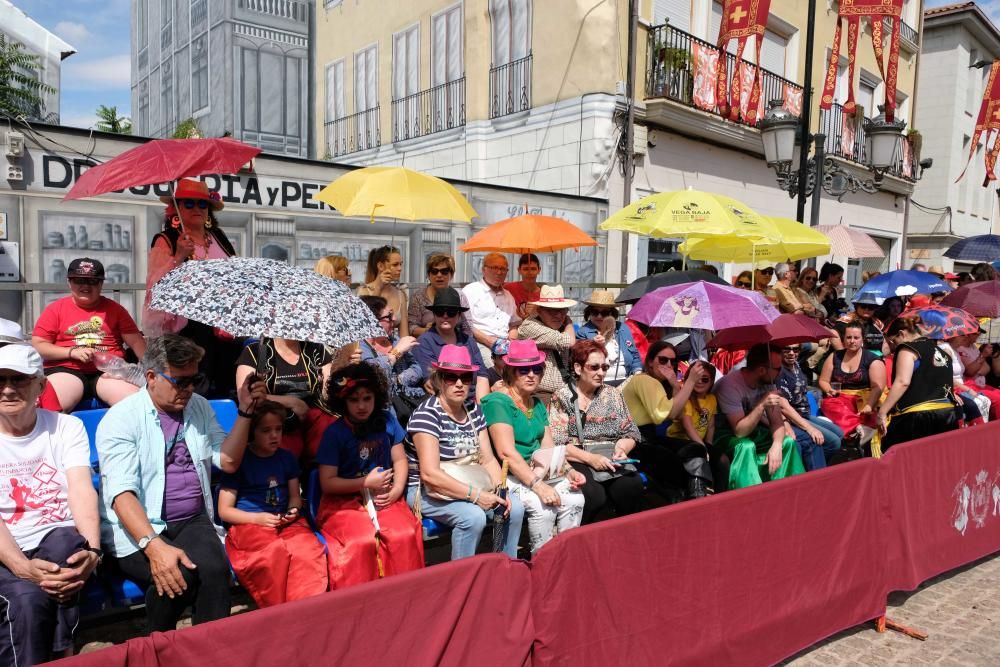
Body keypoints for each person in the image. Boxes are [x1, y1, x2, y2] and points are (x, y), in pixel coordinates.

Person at [96, 334, 266, 633]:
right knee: (180, 578)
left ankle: (209, 651)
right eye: (180, 382)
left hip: (191, 518)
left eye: (195, 380)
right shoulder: (121, 419)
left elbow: (227, 461)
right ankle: (159, 646)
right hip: (136, 525)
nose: (189, 389)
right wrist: (154, 546)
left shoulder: (198, 407)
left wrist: (246, 410)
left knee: (215, 571)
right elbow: (121, 495)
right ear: (151, 377)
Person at [0, 344, 101, 665]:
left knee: (70, 548)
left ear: (41, 386)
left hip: (55, 545)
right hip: (6, 551)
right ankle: (60, 652)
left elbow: (82, 490)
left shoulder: (65, 427)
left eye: (19, 380)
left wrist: (94, 553)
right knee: (27, 601)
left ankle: (59, 653)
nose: (7, 389)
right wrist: (20, 567)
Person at [405, 345, 523, 560]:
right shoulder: (427, 415)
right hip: (428, 491)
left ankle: (506, 568)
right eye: (451, 377)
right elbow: (430, 474)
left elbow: (487, 459)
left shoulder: (473, 410)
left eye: (466, 377)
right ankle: (463, 581)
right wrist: (476, 496)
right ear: (439, 380)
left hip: (471, 481)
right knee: (472, 517)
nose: (459, 384)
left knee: (513, 508)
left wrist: (501, 490)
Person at [315, 363, 424, 589]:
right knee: (360, 541)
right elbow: (327, 483)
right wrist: (364, 482)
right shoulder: (334, 433)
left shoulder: (387, 421)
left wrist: (396, 490)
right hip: (344, 502)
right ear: (343, 401)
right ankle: (361, 599)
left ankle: (405, 593)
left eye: (367, 398)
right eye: (354, 400)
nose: (362, 406)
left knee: (403, 533)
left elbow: (400, 460)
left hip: (384, 495)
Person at [217, 401, 327, 608]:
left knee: (307, 552)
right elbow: (225, 510)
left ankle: (306, 608)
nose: (274, 435)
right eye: (266, 430)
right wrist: (257, 518)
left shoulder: (286, 458)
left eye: (278, 429)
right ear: (251, 432)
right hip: (250, 524)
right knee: (272, 553)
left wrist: (293, 510)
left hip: (285, 523)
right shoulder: (240, 462)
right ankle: (276, 608)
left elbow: (295, 496)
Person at [481, 340, 585, 554]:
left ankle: (566, 556)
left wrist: (569, 471)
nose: (531, 375)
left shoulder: (536, 403)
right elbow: (505, 453)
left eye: (536, 369)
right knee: (543, 507)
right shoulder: (497, 402)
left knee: (575, 497)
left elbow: (548, 448)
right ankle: (543, 562)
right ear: (510, 371)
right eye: (523, 370)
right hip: (508, 475)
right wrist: (538, 485)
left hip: (536, 470)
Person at [144, 178, 241, 398]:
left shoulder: (219, 238)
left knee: (228, 381)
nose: (196, 208)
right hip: (189, 324)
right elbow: (156, 285)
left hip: (222, 320)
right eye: (188, 203)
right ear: (176, 208)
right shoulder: (166, 240)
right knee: (199, 383)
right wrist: (178, 256)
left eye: (202, 204)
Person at [32, 257, 146, 411]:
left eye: (92, 281)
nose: (85, 286)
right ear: (69, 282)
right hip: (66, 369)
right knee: (48, 408)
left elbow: (137, 343)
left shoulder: (115, 309)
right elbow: (39, 345)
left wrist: (155, 371)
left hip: (109, 372)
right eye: (79, 280)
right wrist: (71, 352)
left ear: (101, 284)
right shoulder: (56, 309)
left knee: (139, 406)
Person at [549, 340, 643, 523]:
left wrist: (622, 448)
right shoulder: (562, 397)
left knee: (631, 486)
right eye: (594, 367)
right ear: (577, 368)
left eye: (604, 367)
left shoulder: (613, 394)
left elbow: (631, 431)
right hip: (576, 455)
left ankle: (625, 537)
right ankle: (587, 540)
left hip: (609, 454)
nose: (601, 373)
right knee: (593, 495)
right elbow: (557, 442)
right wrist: (592, 459)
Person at [621, 341, 715, 498]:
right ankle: (696, 498)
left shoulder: (660, 384)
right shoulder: (645, 380)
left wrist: (675, 386)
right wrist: (690, 382)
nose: (668, 365)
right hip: (634, 442)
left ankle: (700, 495)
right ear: (650, 362)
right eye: (663, 360)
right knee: (677, 462)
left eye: (673, 361)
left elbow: (677, 414)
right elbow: (662, 415)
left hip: (650, 439)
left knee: (696, 449)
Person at [712, 344, 806, 489]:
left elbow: (776, 422)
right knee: (746, 446)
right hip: (723, 434)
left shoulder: (768, 383)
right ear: (762, 370)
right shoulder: (729, 385)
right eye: (777, 368)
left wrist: (776, 445)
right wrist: (761, 405)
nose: (781, 373)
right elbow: (739, 432)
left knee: (786, 442)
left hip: (752, 430)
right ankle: (750, 496)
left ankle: (788, 489)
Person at [235, 337, 332, 458]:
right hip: (276, 423)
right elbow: (246, 398)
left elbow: (328, 396)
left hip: (313, 421)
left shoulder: (317, 349)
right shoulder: (257, 351)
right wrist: (293, 402)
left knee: (331, 440)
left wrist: (343, 365)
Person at [878, 315, 959, 450]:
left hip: (919, 416)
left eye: (893, 341)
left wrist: (882, 412)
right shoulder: (942, 352)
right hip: (947, 413)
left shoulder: (907, 349)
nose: (894, 347)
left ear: (901, 334)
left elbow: (903, 382)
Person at [412, 288, 490, 401]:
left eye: (451, 312)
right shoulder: (424, 342)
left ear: (459, 315)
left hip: (474, 401)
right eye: (440, 311)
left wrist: (480, 409)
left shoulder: (468, 341)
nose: (445, 316)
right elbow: (431, 383)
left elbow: (481, 376)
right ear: (434, 314)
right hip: (444, 402)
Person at [358, 295, 426, 421]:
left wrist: (397, 380)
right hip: (383, 412)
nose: (394, 319)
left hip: (410, 402)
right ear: (372, 320)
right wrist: (396, 352)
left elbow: (417, 369)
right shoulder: (360, 347)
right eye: (388, 316)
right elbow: (373, 373)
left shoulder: (394, 340)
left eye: (393, 314)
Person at [818, 322, 886, 446]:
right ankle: (856, 427)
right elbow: (823, 380)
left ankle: (857, 430)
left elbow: (878, 387)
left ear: (863, 340)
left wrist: (869, 406)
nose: (852, 341)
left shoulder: (872, 359)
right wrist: (829, 390)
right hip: (839, 400)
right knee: (827, 402)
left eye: (856, 338)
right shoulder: (834, 356)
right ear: (843, 339)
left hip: (864, 400)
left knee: (867, 414)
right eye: (848, 337)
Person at [776, 344, 843, 468]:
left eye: (795, 349)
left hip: (805, 412)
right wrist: (809, 428)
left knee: (839, 433)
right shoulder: (778, 371)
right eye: (787, 349)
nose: (791, 353)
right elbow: (783, 407)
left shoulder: (796, 365)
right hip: (793, 417)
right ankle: (814, 467)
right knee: (833, 442)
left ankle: (817, 463)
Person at [516, 285, 578, 404]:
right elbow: (568, 341)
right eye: (552, 311)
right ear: (539, 310)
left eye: (563, 310)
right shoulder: (529, 326)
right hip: (538, 396)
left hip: (563, 393)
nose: (559, 315)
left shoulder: (560, 326)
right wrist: (569, 322)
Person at [462, 253, 521, 367]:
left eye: (503, 269)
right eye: (494, 267)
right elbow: (464, 323)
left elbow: (514, 324)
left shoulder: (508, 295)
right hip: (479, 342)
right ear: (483, 269)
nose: (499, 272)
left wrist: (512, 339)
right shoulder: (470, 291)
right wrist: (488, 340)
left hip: (505, 344)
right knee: (492, 367)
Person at [575, 290, 642, 386]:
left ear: (612, 314)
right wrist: (593, 345)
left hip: (627, 380)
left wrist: (637, 372)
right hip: (598, 383)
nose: (599, 316)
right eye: (595, 312)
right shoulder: (583, 332)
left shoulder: (623, 328)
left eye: (604, 313)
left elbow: (635, 355)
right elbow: (577, 357)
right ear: (589, 313)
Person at [408, 254, 470, 337]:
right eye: (434, 271)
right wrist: (428, 331)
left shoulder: (460, 296)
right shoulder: (418, 297)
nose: (439, 275)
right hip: (428, 343)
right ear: (428, 275)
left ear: (451, 275)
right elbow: (411, 327)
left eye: (444, 271)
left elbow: (467, 326)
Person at [358, 245, 409, 338]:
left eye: (401, 264)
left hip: (394, 347)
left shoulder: (400, 294)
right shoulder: (364, 291)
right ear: (380, 266)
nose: (400, 268)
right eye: (395, 264)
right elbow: (364, 323)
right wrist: (378, 288)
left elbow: (404, 333)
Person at [505, 253, 543, 320]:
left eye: (533, 269)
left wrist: (538, 311)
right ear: (519, 270)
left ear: (539, 270)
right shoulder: (508, 288)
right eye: (525, 269)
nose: (530, 272)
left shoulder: (544, 294)